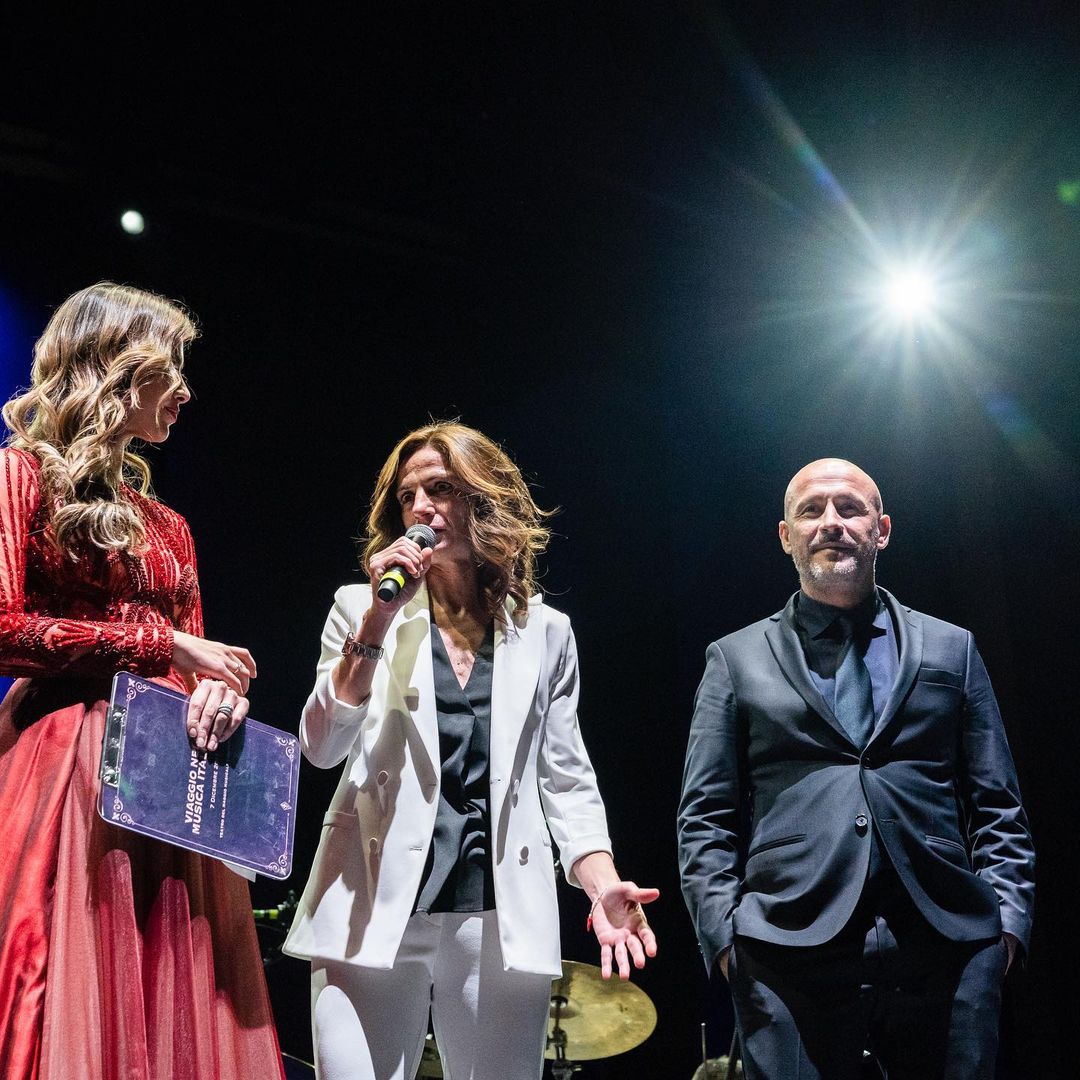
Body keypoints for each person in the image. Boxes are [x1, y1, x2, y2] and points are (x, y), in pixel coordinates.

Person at [284, 421, 658, 1080]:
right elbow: (321, 746)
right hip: (369, 903)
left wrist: (601, 887)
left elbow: (566, 780)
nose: (422, 508)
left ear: (483, 500)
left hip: (496, 919)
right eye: (408, 497)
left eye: (442, 489)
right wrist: (376, 617)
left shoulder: (545, 633)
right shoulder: (359, 609)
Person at [0, 283, 285, 1079]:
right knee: (57, 977)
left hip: (166, 782)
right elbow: (3, 627)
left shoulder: (170, 526)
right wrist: (166, 643)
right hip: (68, 771)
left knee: (166, 991)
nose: (187, 390)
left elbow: (197, 667)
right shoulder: (22, 473)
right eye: (175, 366)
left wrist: (219, 695)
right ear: (118, 366)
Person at [678, 458, 1035, 1080]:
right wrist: (727, 939)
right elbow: (705, 815)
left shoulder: (954, 647)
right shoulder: (734, 659)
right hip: (787, 954)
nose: (831, 523)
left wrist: (1005, 924)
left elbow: (998, 801)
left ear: (882, 528)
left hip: (947, 947)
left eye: (850, 508)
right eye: (811, 511)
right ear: (786, 536)